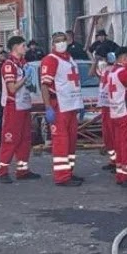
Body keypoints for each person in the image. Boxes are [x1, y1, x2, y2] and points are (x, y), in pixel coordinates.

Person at [40, 32, 84, 186]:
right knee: (61, 142)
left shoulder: (69, 59)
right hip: (58, 106)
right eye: (58, 41)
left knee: (71, 142)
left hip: (71, 105)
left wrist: (79, 103)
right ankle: (62, 176)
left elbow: (73, 82)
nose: (61, 43)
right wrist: (47, 107)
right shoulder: (51, 60)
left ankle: (69, 171)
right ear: (53, 44)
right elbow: (45, 85)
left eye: (63, 40)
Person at [0, 36, 38, 183]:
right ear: (15, 47)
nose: (25, 48)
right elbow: (12, 88)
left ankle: (22, 170)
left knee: (25, 139)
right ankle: (2, 172)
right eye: (23, 46)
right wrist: (25, 79)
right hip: (13, 106)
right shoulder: (9, 65)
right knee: (10, 139)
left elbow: (27, 85)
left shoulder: (23, 64)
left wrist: (31, 84)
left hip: (25, 105)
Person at [107, 47, 127, 187]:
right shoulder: (123, 72)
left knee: (119, 145)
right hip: (124, 112)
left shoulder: (111, 72)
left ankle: (120, 174)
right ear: (124, 58)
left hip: (114, 112)